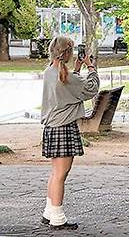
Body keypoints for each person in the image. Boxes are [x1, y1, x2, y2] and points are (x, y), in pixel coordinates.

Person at [40, 36, 99, 230]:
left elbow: (68, 85)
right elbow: (91, 89)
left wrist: (77, 69)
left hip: (51, 127)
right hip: (64, 128)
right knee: (61, 174)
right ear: (67, 53)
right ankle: (58, 218)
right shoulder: (66, 77)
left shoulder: (49, 71)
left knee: (55, 173)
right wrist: (91, 67)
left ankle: (49, 212)